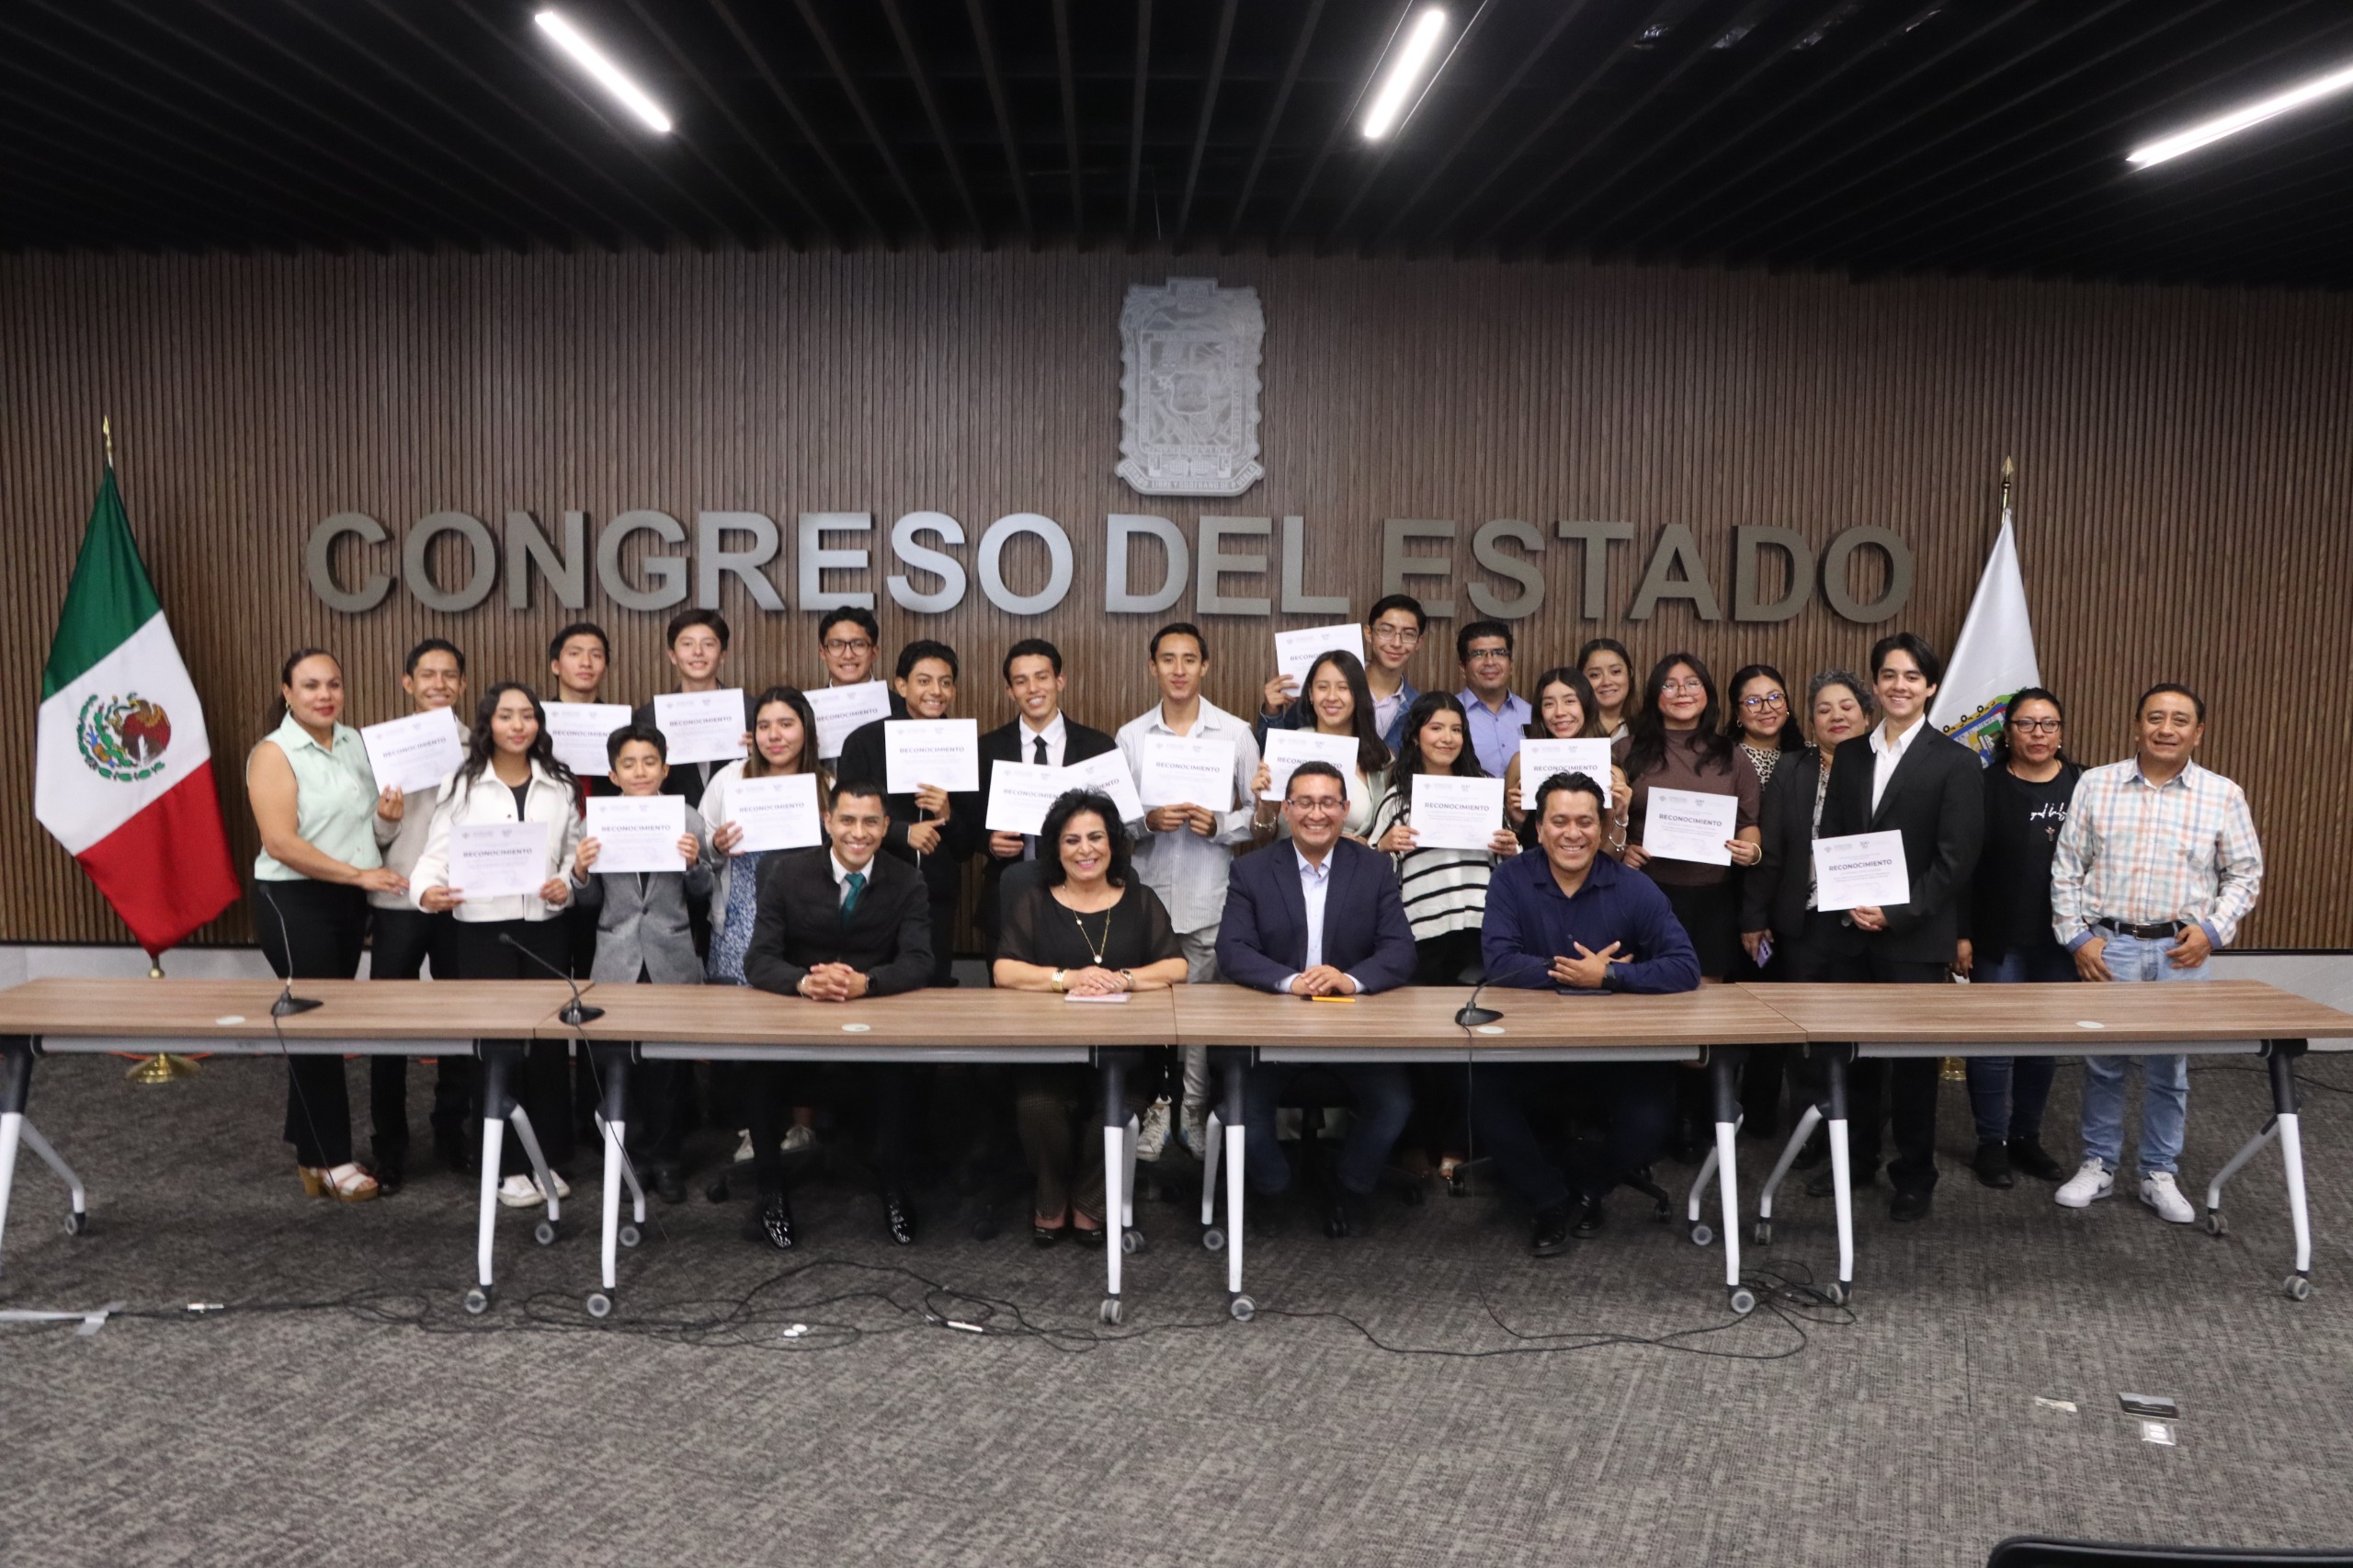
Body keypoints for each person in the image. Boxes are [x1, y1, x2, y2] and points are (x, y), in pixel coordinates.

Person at [2048, 682, 2263, 1222]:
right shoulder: (2096, 785)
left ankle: (2158, 1173)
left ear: (2199, 731)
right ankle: (2098, 1164)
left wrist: (2212, 930)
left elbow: (2245, 873)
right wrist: (2077, 936)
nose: (2166, 729)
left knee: (2170, 1067)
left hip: (2180, 950)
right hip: (2110, 945)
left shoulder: (2223, 794)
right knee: (2103, 1065)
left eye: (2180, 720)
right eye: (2155, 718)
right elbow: (2066, 868)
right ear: (2136, 725)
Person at [1472, 770, 1701, 1255]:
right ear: (1539, 828)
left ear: (1602, 827)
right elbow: (1500, 964)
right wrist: (1581, 975)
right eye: (1559, 821)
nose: (1572, 833)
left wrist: (1611, 978)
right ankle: (1547, 1199)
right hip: (1529, 1050)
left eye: (1584, 821)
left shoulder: (1634, 888)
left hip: (1616, 1051)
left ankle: (1588, 1187)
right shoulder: (1510, 880)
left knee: (1651, 1115)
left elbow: (1684, 967)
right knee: (1483, 1096)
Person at [1812, 632, 1984, 1222]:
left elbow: (1956, 860)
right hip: (1850, 932)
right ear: (1876, 685)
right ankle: (1854, 1162)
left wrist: (1898, 911)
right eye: (1888, 675)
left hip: (1914, 937)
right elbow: (1834, 836)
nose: (1899, 686)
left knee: (1912, 1069)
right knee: (1851, 1058)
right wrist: (1847, 902)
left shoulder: (1957, 762)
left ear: (1930, 686)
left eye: (1912, 676)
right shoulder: (1854, 753)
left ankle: (1914, 1174)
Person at [1217, 761, 1417, 1238]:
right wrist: (1291, 982)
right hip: (1271, 1032)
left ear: (1346, 810)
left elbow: (1400, 951)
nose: (1316, 813)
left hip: (1354, 1033)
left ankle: (1349, 1183)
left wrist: (1349, 980)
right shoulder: (1251, 870)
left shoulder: (1373, 868)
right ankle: (1275, 1187)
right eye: (1304, 802)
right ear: (1286, 809)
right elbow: (1232, 951)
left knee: (1395, 1104)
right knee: (1241, 1106)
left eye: (1329, 802)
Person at [411, 682, 585, 1210]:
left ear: (538, 724)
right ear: (488, 724)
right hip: (484, 931)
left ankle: (547, 1157)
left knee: (551, 1047)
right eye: (506, 716)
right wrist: (426, 892)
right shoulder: (462, 785)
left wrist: (568, 883)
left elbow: (574, 855)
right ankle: (506, 1166)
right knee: (498, 1050)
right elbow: (433, 856)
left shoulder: (558, 783)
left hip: (545, 930)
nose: (518, 726)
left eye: (527, 716)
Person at [991, 790, 1188, 1244]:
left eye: (1096, 837)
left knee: (1114, 1112)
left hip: (1124, 1054)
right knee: (1037, 1107)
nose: (1085, 850)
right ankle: (1051, 1194)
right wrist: (1068, 978)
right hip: (1049, 1052)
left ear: (1113, 843)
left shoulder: (1139, 900)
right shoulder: (1036, 901)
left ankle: (1090, 1202)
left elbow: (1176, 967)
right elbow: (1004, 970)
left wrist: (1124, 979)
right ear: (1055, 849)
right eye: (1072, 840)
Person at [743, 781, 936, 1248]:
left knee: (901, 1073)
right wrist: (806, 983)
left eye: (871, 822)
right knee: (755, 1067)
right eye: (846, 820)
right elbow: (759, 960)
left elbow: (920, 960)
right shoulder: (786, 874)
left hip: (873, 1019)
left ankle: (893, 1184)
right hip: (796, 1018)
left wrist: (865, 984)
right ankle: (771, 1188)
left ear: (886, 826)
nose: (858, 832)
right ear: (827, 822)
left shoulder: (906, 879)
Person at [247, 649, 404, 1203]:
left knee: (323, 1021)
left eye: (333, 684)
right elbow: (281, 843)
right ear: (287, 693)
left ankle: (309, 1148)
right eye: (310, 686)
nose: (324, 695)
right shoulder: (273, 753)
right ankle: (332, 1159)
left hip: (347, 897)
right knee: (316, 1026)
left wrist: (386, 819)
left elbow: (364, 826)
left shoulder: (358, 743)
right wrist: (359, 875)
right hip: (293, 900)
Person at [1115, 622, 1261, 1152]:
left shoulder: (1236, 732)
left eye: (1189, 660)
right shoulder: (1131, 737)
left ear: (1206, 666)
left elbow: (1261, 816)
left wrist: (1221, 825)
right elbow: (1115, 822)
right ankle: (1155, 1107)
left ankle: (1194, 1109)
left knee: (1201, 1018)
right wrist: (1147, 822)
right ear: (1152, 667)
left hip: (1209, 899)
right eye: (1168, 660)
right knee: (1150, 1015)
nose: (1179, 670)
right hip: (1148, 900)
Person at [1367, 690, 1521, 1184]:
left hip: (1479, 932)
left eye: (1456, 729)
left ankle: (1459, 1144)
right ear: (1416, 735)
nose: (1447, 737)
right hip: (1423, 933)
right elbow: (1373, 871)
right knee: (1423, 1048)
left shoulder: (1483, 790)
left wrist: (1509, 846)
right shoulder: (1398, 795)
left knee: (1471, 1046)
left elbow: (1507, 867)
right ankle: (1417, 1143)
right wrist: (1384, 844)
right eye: (1437, 728)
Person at [564, 724, 712, 1206]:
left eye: (650, 762)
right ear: (613, 774)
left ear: (665, 769)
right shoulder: (595, 823)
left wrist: (694, 865)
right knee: (619, 1067)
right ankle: (627, 1161)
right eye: (629, 764)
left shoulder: (687, 816)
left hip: (670, 956)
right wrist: (582, 871)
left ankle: (666, 1159)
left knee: (668, 1071)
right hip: (618, 956)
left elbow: (703, 892)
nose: (640, 771)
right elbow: (586, 901)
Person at [1741, 670, 1876, 1157]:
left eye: (1846, 707)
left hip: (1868, 924)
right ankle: (1808, 1140)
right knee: (1806, 1038)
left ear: (1867, 714)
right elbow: (1770, 849)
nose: (1835, 716)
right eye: (1823, 709)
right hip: (1806, 920)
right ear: (1811, 721)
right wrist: (1754, 916)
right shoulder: (1792, 770)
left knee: (1860, 1039)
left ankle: (1858, 1146)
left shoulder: (1884, 768)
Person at [1951, 687, 2081, 1188]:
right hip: (1997, 937)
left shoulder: (2083, 784)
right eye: (2026, 724)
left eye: (2048, 725)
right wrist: (1961, 934)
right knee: (1992, 1047)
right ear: (2007, 732)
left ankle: (2027, 1137)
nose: (2038, 735)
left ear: (2062, 732)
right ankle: (1992, 1143)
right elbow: (1962, 866)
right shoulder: (1983, 785)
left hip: (2061, 940)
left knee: (2041, 1048)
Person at [702, 687, 831, 1166]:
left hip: (806, 922)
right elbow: (701, 853)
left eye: (786, 724)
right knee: (748, 1029)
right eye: (765, 726)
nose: (775, 735)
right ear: (752, 734)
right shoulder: (729, 779)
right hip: (741, 919)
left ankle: (802, 1125)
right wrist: (715, 843)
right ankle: (755, 1127)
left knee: (803, 1025)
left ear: (805, 730)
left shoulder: (826, 783)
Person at [365, 637, 470, 1192]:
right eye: (427, 675)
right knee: (390, 1028)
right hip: (398, 900)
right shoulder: (381, 748)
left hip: (458, 903)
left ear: (462, 684)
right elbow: (368, 834)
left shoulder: (482, 747)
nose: (438, 684)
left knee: (460, 1022)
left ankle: (453, 1130)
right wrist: (385, 819)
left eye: (449, 675)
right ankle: (390, 1147)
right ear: (408, 683)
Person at [836, 639, 980, 986]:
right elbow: (843, 824)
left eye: (946, 682)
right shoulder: (864, 742)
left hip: (936, 899)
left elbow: (965, 847)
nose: (937, 691)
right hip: (873, 892)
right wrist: (901, 832)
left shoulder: (962, 744)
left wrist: (948, 814)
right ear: (902, 685)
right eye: (924, 681)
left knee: (929, 991)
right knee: (870, 988)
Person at [978, 638, 1118, 938]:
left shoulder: (1099, 747)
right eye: (1021, 681)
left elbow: (1116, 827)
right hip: (1010, 892)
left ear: (1060, 681)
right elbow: (966, 824)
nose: (1033, 688)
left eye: (1042, 677)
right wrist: (990, 843)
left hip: (1085, 894)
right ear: (1010, 690)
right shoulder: (987, 749)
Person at [1249, 648, 1390, 845]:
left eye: (1343, 688)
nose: (1331, 697)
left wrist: (1369, 845)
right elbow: (1262, 837)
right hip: (1293, 869)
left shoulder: (1382, 759)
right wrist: (1264, 806)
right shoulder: (1286, 748)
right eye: (1322, 687)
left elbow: (1389, 835)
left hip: (1356, 870)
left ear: (1358, 695)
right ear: (1311, 694)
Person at [1258, 594, 1426, 755]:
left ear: (1419, 642)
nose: (1396, 643)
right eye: (1386, 631)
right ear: (1369, 634)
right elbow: (1280, 758)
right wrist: (1272, 714)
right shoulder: (1325, 694)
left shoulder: (1420, 709)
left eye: (1408, 634)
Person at [631, 608, 746, 812]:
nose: (698, 652)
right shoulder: (648, 718)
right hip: (674, 827)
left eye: (708, 644)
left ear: (722, 655)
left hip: (736, 827)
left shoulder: (750, 711)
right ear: (672, 655)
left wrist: (759, 754)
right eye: (687, 644)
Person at [1502, 665, 1630, 839]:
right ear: (1540, 712)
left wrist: (1621, 816)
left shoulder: (1611, 773)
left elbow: (1609, 855)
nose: (1559, 712)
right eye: (1548, 704)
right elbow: (1508, 846)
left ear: (1586, 706)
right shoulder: (1521, 763)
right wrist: (1516, 821)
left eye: (1570, 701)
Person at [815, 607, 904, 766]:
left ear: (875, 652)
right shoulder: (806, 710)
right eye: (836, 644)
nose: (848, 655)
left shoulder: (900, 708)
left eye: (858, 644)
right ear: (823, 653)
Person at [1455, 619, 1529, 778]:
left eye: (1499, 653)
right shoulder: (1448, 714)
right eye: (1478, 654)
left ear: (1511, 665)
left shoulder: (1531, 714)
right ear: (1463, 667)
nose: (1490, 662)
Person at [1578, 637, 1639, 739]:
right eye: (1595, 675)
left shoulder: (1648, 728)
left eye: (1615, 672)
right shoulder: (1572, 728)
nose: (1606, 682)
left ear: (1630, 674)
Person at [547, 620, 610, 707]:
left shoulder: (620, 720)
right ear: (555, 666)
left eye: (596, 655)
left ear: (605, 669)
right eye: (574, 654)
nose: (586, 663)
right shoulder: (538, 719)